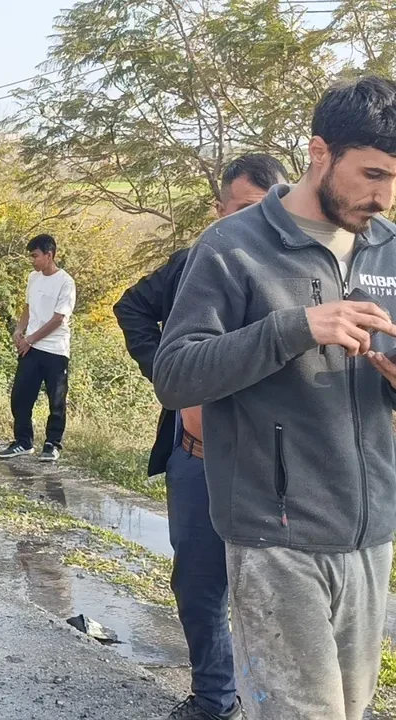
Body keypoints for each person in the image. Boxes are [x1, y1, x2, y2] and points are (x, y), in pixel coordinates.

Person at [155, 75, 396, 720]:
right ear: (320, 153)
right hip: (275, 533)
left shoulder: (390, 248)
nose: (385, 196)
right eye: (372, 174)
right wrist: (292, 328)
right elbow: (176, 374)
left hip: (372, 534)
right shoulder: (233, 249)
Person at [114, 153, 289, 720]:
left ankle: (275, 705)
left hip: (276, 468)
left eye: (268, 208)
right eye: (242, 209)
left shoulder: (301, 270)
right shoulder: (196, 261)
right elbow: (133, 308)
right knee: (198, 586)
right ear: (220, 210)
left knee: (275, 595)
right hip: (197, 457)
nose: (256, 221)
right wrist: (176, 385)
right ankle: (215, 700)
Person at [0, 234, 76, 463]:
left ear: (49, 255)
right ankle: (23, 441)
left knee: (57, 399)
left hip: (55, 349)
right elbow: (28, 306)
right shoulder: (34, 278)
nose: (32, 261)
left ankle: (52, 444)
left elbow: (59, 319)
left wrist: (31, 339)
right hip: (30, 347)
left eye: (35, 256)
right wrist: (19, 330)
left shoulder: (66, 282)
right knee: (20, 396)